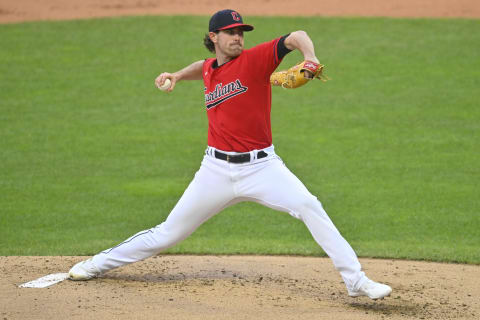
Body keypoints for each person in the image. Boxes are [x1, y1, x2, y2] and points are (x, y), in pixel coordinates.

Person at [69, 9, 392, 300]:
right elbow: (204, 67)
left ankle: (356, 281)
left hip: (263, 168)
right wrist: (178, 76)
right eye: (231, 32)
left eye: (241, 32)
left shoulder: (257, 59)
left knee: (309, 205)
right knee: (167, 234)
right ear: (214, 37)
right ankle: (95, 264)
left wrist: (309, 56)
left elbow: (296, 36)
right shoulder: (211, 68)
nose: (238, 37)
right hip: (215, 172)